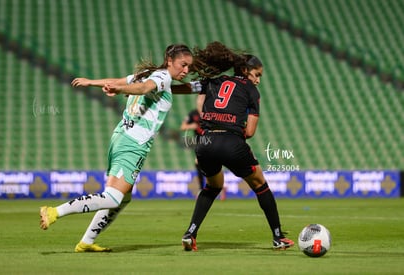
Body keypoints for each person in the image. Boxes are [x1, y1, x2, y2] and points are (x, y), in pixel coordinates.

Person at [39, 44, 193, 252]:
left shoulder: (147, 74)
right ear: (169, 61)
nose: (186, 70)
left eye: (189, 67)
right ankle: (55, 212)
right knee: (113, 197)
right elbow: (143, 88)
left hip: (121, 137)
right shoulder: (162, 78)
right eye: (183, 65)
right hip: (133, 143)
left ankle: (87, 241)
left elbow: (120, 82)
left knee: (123, 198)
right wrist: (118, 89)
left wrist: (91, 82)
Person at [179, 41, 294, 251]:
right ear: (244, 70)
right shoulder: (251, 91)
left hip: (205, 143)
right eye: (256, 74)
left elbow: (184, 88)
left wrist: (153, 87)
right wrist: (231, 129)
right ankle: (278, 237)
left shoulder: (212, 81)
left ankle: (190, 233)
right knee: (260, 185)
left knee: (212, 187)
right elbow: (249, 132)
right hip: (231, 142)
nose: (258, 80)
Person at [180, 108, 205, 191]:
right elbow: (183, 126)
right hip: (199, 144)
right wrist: (192, 126)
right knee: (200, 164)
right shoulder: (193, 113)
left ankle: (203, 189)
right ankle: (202, 189)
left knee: (202, 164)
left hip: (210, 142)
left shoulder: (209, 111)